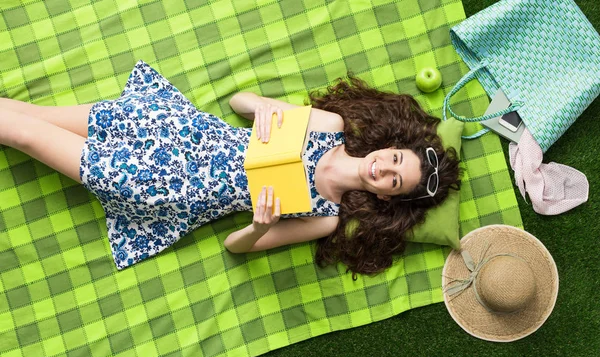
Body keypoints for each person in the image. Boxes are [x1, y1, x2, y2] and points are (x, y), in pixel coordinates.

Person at [0, 60, 461, 278]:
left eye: (394, 181)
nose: (384, 169)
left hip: (170, 186)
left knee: (25, 134)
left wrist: (259, 227)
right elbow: (238, 102)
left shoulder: (325, 217)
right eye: (396, 159)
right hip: (180, 132)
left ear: (387, 197)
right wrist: (262, 109)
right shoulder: (329, 125)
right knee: (32, 114)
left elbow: (235, 248)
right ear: (392, 147)